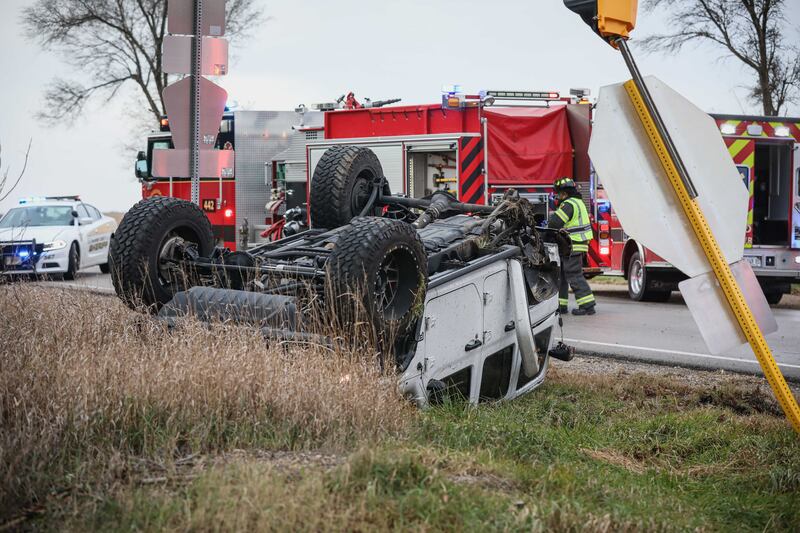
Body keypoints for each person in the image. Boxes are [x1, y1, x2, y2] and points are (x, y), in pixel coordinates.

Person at [547, 177, 596, 316]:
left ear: (564, 193)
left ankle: (587, 305)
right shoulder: (578, 202)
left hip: (573, 244)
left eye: (558, 193)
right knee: (562, 275)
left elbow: (555, 223)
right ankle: (560, 306)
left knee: (573, 275)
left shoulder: (568, 204)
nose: (557, 196)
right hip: (574, 244)